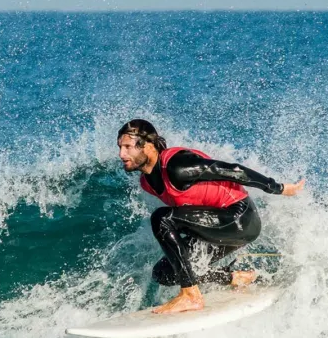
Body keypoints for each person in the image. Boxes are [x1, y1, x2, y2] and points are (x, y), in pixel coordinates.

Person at [117, 119, 305, 315]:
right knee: (164, 273)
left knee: (162, 218)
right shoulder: (147, 181)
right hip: (215, 226)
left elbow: (234, 171)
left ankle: (190, 295)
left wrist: (278, 188)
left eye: (128, 147)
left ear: (147, 146)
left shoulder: (177, 166)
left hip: (239, 219)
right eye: (120, 147)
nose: (121, 154)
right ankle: (234, 278)